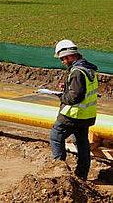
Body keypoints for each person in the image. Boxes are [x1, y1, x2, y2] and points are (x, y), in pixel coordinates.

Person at [50, 39, 98, 180]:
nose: (62, 62)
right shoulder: (88, 69)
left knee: (56, 137)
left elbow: (75, 97)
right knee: (82, 142)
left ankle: (61, 174)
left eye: (63, 59)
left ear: (69, 56)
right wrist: (67, 88)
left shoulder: (77, 71)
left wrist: (61, 96)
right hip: (86, 115)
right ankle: (81, 175)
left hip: (73, 115)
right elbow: (83, 90)